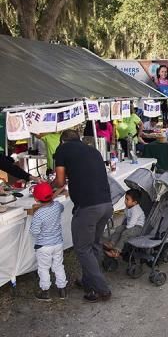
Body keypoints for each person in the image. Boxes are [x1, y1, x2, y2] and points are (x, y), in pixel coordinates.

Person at [54, 129, 113, 303]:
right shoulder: (92, 150)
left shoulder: (62, 150)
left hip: (88, 208)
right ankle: (89, 281)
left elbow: (59, 181)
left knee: (82, 248)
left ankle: (102, 289)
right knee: (93, 245)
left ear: (62, 141)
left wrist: (49, 185)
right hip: (106, 204)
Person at [30, 182, 68, 301]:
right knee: (58, 266)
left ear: (36, 198)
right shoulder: (57, 206)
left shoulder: (38, 214)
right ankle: (62, 290)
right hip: (58, 243)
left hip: (43, 246)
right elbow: (61, 208)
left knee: (43, 268)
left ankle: (45, 291)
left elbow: (34, 231)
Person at [104, 189, 145, 258]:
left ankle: (116, 251)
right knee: (119, 229)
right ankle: (112, 243)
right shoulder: (128, 207)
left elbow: (132, 222)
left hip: (138, 228)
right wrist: (123, 227)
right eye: (125, 198)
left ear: (134, 202)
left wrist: (125, 228)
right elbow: (126, 218)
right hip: (130, 225)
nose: (125, 201)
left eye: (127, 199)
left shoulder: (136, 210)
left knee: (125, 233)